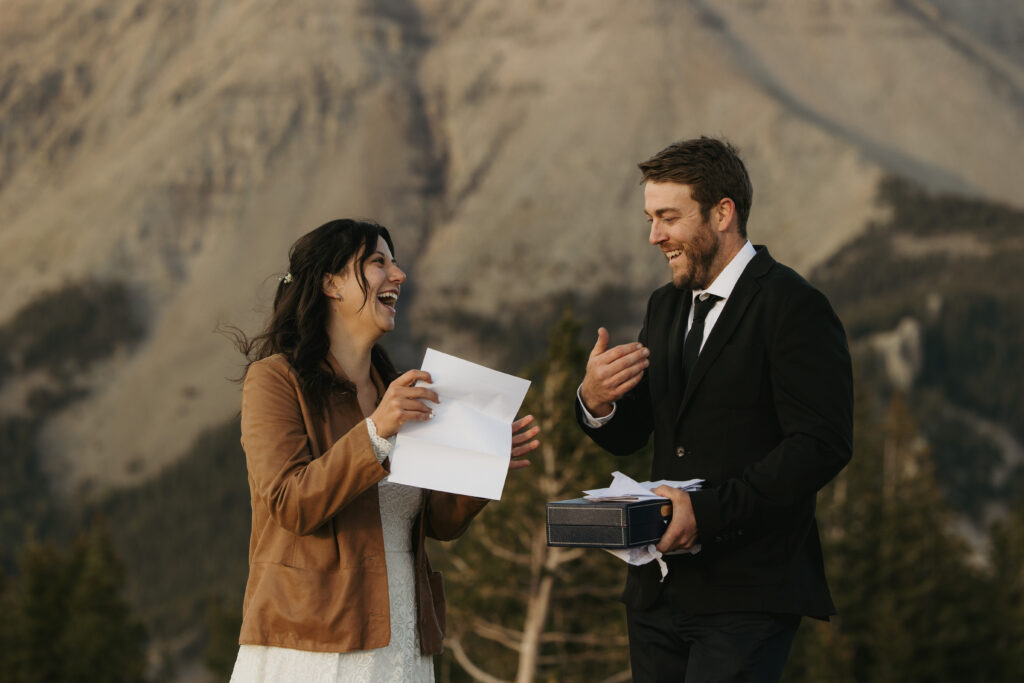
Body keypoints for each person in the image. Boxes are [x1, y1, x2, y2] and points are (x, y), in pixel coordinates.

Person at [576, 137, 853, 682]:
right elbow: (638, 430)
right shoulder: (664, 305)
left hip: (748, 595)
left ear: (722, 213)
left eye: (669, 217)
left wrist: (707, 513)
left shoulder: (794, 307)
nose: (654, 235)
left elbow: (822, 445)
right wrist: (596, 400)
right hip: (656, 595)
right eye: (651, 218)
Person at [228, 219, 540, 682]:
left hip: (403, 639)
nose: (399, 274)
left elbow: (438, 524)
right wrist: (376, 431)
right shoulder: (274, 380)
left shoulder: (400, 392)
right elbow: (289, 504)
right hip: (317, 643)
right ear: (330, 283)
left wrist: (481, 467)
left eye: (394, 262)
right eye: (378, 262)